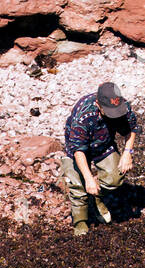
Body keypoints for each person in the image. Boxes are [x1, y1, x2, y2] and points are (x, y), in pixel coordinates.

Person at [60, 82, 139, 237]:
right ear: (98, 104)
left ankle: (96, 199)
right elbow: (79, 151)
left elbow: (132, 128)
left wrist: (127, 152)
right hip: (78, 148)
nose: (115, 113)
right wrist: (89, 179)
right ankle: (80, 221)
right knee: (79, 187)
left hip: (104, 142)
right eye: (110, 112)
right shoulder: (83, 116)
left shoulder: (123, 106)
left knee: (115, 177)